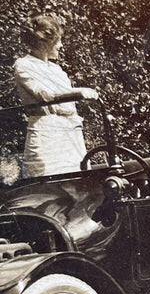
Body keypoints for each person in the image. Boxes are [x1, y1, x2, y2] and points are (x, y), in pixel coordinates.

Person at [13, 14, 98, 178]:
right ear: (44, 43)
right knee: (48, 187)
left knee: (79, 185)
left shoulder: (57, 71)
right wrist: (78, 92)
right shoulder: (24, 65)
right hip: (46, 135)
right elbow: (44, 95)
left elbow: (70, 108)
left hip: (70, 135)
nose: (60, 45)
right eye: (57, 40)